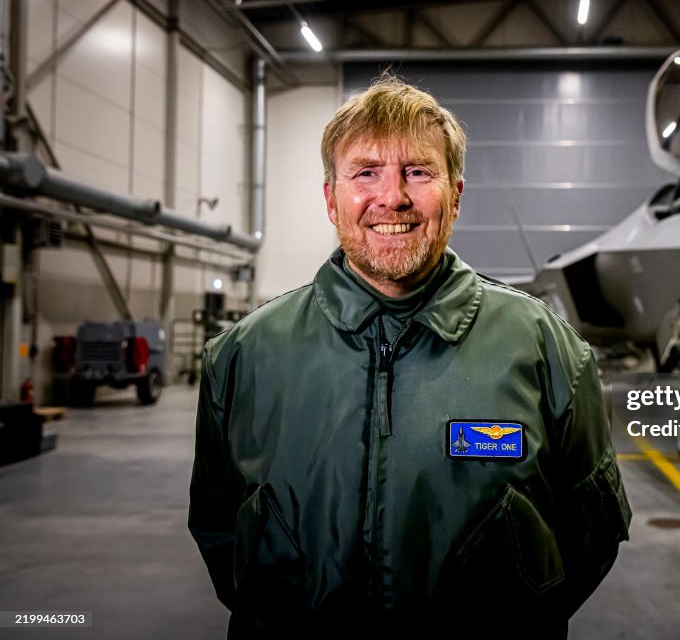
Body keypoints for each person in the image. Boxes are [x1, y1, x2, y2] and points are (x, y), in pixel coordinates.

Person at [188, 74, 631, 637]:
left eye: (418, 172)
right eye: (365, 172)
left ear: (456, 195)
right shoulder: (244, 356)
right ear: (331, 198)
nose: (392, 196)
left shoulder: (547, 350)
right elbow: (218, 531)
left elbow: (590, 536)